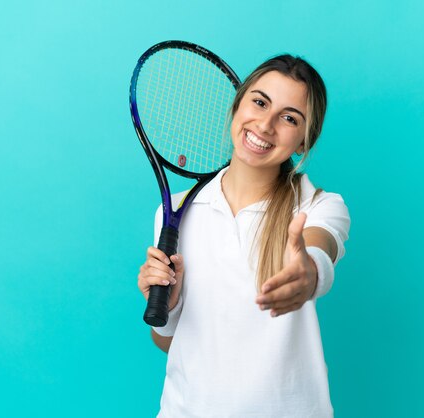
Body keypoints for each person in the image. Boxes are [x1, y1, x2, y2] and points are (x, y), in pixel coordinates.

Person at [138, 54, 350, 417]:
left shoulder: (320, 206)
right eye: (259, 102)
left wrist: (307, 273)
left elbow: (319, 250)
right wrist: (168, 307)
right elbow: (167, 342)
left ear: (303, 141)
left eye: (289, 118)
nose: (265, 125)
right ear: (237, 106)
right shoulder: (173, 213)